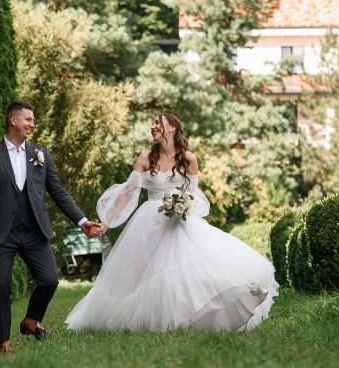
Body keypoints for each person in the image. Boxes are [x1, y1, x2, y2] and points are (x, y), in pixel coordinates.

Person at [65, 113, 278, 332]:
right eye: (153, 123)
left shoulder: (189, 158)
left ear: (173, 128)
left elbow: (193, 194)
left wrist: (183, 205)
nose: (153, 126)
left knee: (188, 269)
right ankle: (143, 319)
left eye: (158, 123)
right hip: (149, 219)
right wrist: (107, 222)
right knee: (143, 272)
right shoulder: (146, 156)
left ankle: (189, 318)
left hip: (179, 221)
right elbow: (129, 190)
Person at [0, 101, 102, 353]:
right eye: (28, 119)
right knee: (1, 285)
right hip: (0, 233)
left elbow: (58, 192)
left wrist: (82, 221)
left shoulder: (40, 153)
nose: (32, 124)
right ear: (13, 120)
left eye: (33, 119)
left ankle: (31, 321)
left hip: (33, 230)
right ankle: (4, 343)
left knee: (50, 279)